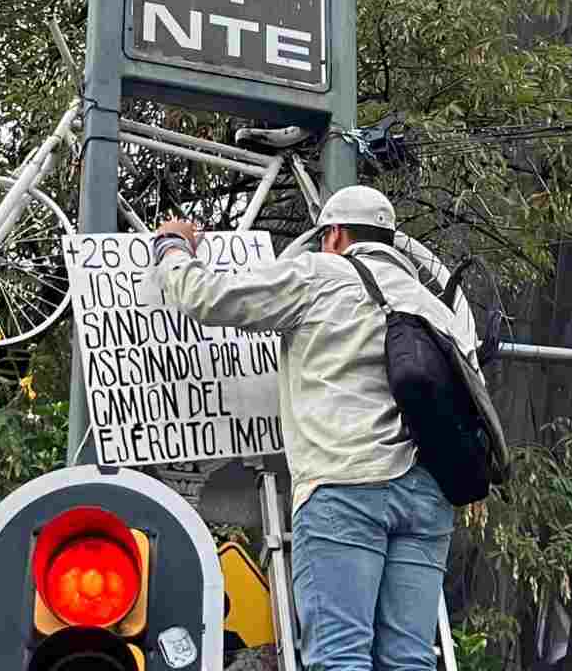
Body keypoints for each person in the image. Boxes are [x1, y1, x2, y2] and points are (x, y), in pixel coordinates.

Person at [152, 185, 482, 671]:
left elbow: (207, 298)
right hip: (428, 499)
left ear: (334, 235)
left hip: (346, 488)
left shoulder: (320, 274)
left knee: (339, 657)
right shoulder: (436, 306)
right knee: (409, 658)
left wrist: (173, 248)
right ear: (389, 240)